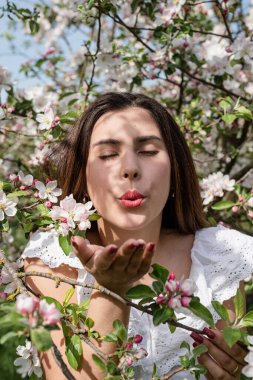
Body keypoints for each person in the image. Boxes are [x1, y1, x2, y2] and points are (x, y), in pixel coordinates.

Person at [22, 92, 253, 380]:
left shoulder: (220, 255)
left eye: (148, 151)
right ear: (84, 175)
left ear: (175, 168)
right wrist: (111, 290)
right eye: (107, 155)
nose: (130, 168)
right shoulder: (53, 259)